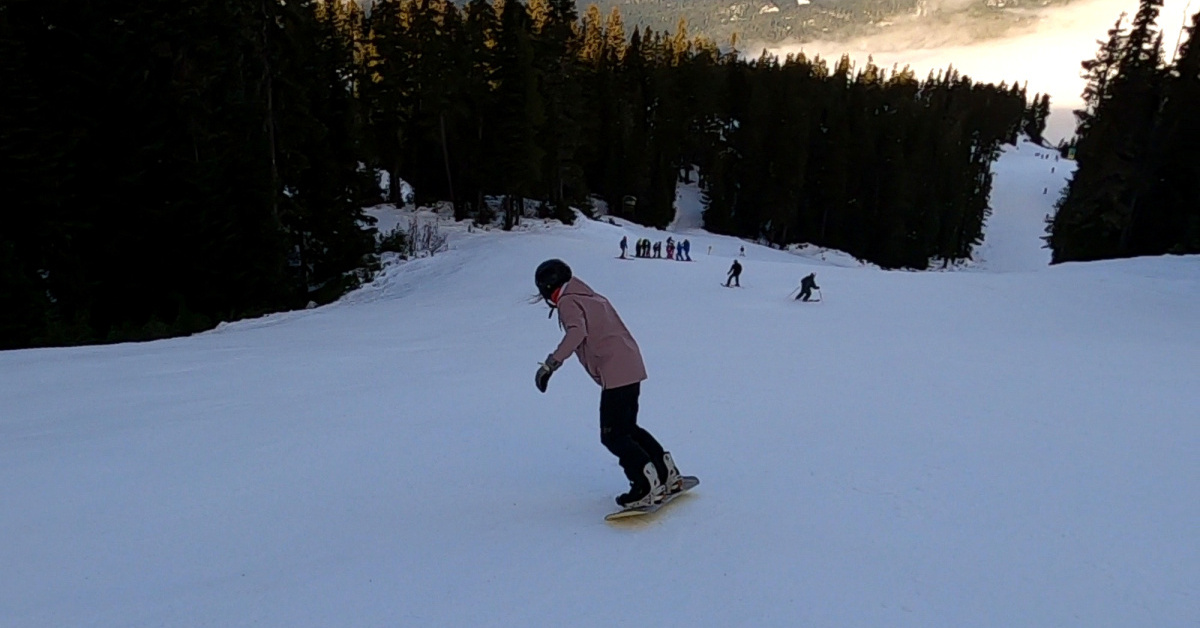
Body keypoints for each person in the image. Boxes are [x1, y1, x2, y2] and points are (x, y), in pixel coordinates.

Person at [533, 259, 685, 509]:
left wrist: (551, 364)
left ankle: (645, 486)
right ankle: (667, 474)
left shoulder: (569, 301)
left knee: (613, 435)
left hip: (616, 369)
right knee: (627, 429)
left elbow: (576, 333)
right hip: (630, 364)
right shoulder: (590, 296)